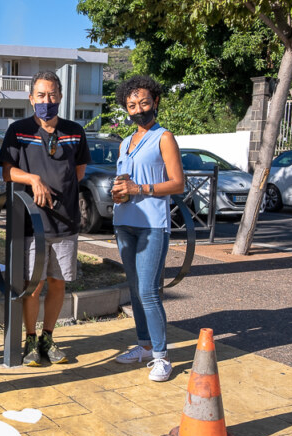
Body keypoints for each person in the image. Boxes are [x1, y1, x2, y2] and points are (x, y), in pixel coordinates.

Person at [0, 71, 90, 366]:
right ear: (31, 98)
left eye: (52, 95)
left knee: (58, 283)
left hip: (65, 222)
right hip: (31, 223)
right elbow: (7, 171)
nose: (46, 100)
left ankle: (48, 338)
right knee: (33, 285)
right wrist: (33, 179)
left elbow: (78, 172)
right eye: (40, 95)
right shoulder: (19, 130)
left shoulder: (75, 131)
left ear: (60, 96)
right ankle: (30, 339)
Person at [111, 75, 185, 382]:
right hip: (124, 223)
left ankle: (161, 357)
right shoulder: (125, 142)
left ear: (155, 101)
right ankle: (143, 346)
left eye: (143, 103)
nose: (138, 109)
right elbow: (125, 180)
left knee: (148, 291)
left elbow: (178, 183)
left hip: (152, 226)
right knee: (135, 289)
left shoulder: (163, 137)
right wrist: (118, 191)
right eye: (131, 105)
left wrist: (140, 189)